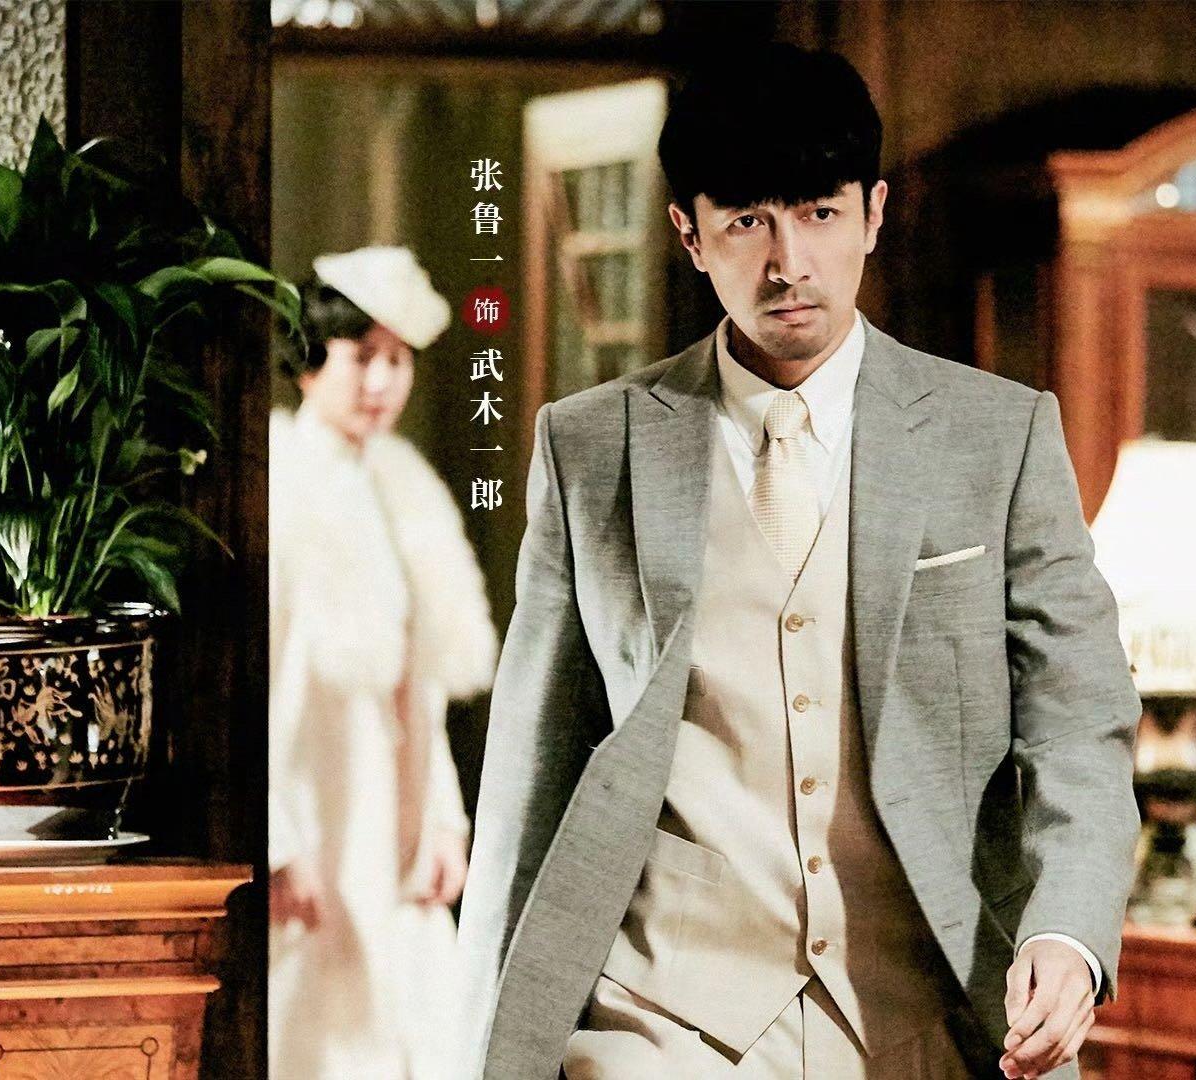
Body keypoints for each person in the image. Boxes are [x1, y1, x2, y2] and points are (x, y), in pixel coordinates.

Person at [459, 45, 1141, 1080]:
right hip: (658, 1015)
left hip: (928, 1012)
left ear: (872, 214)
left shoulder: (997, 437)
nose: (789, 263)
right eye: (747, 222)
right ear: (689, 234)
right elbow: (533, 765)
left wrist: (1068, 932)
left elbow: (1077, 722)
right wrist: (487, 1044)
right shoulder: (591, 445)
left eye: (820, 214)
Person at [269, 245, 499, 1080]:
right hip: (318, 795)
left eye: (397, 361)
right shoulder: (281, 482)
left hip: (392, 798)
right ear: (310, 360)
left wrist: (443, 818)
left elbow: (421, 682)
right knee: (323, 1024)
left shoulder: (403, 486)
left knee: (421, 1024)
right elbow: (265, 686)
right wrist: (278, 842)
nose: (381, 382)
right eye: (361, 356)